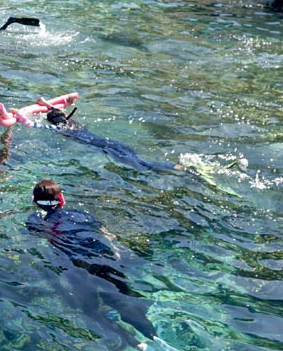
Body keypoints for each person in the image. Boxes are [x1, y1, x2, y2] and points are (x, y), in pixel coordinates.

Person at [27, 179, 160, 349]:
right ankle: (152, 334)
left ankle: (134, 342)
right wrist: (116, 250)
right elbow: (106, 233)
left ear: (36, 201)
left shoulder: (35, 219)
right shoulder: (81, 214)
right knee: (121, 297)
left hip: (77, 263)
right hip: (104, 255)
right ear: (61, 199)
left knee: (90, 310)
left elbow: (40, 235)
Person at [18, 98, 179, 172]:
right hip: (112, 143)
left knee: (145, 165)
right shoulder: (73, 123)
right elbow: (58, 112)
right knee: (139, 160)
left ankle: (175, 168)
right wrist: (45, 103)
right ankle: (176, 167)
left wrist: (17, 115)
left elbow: (33, 125)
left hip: (109, 150)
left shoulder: (61, 129)